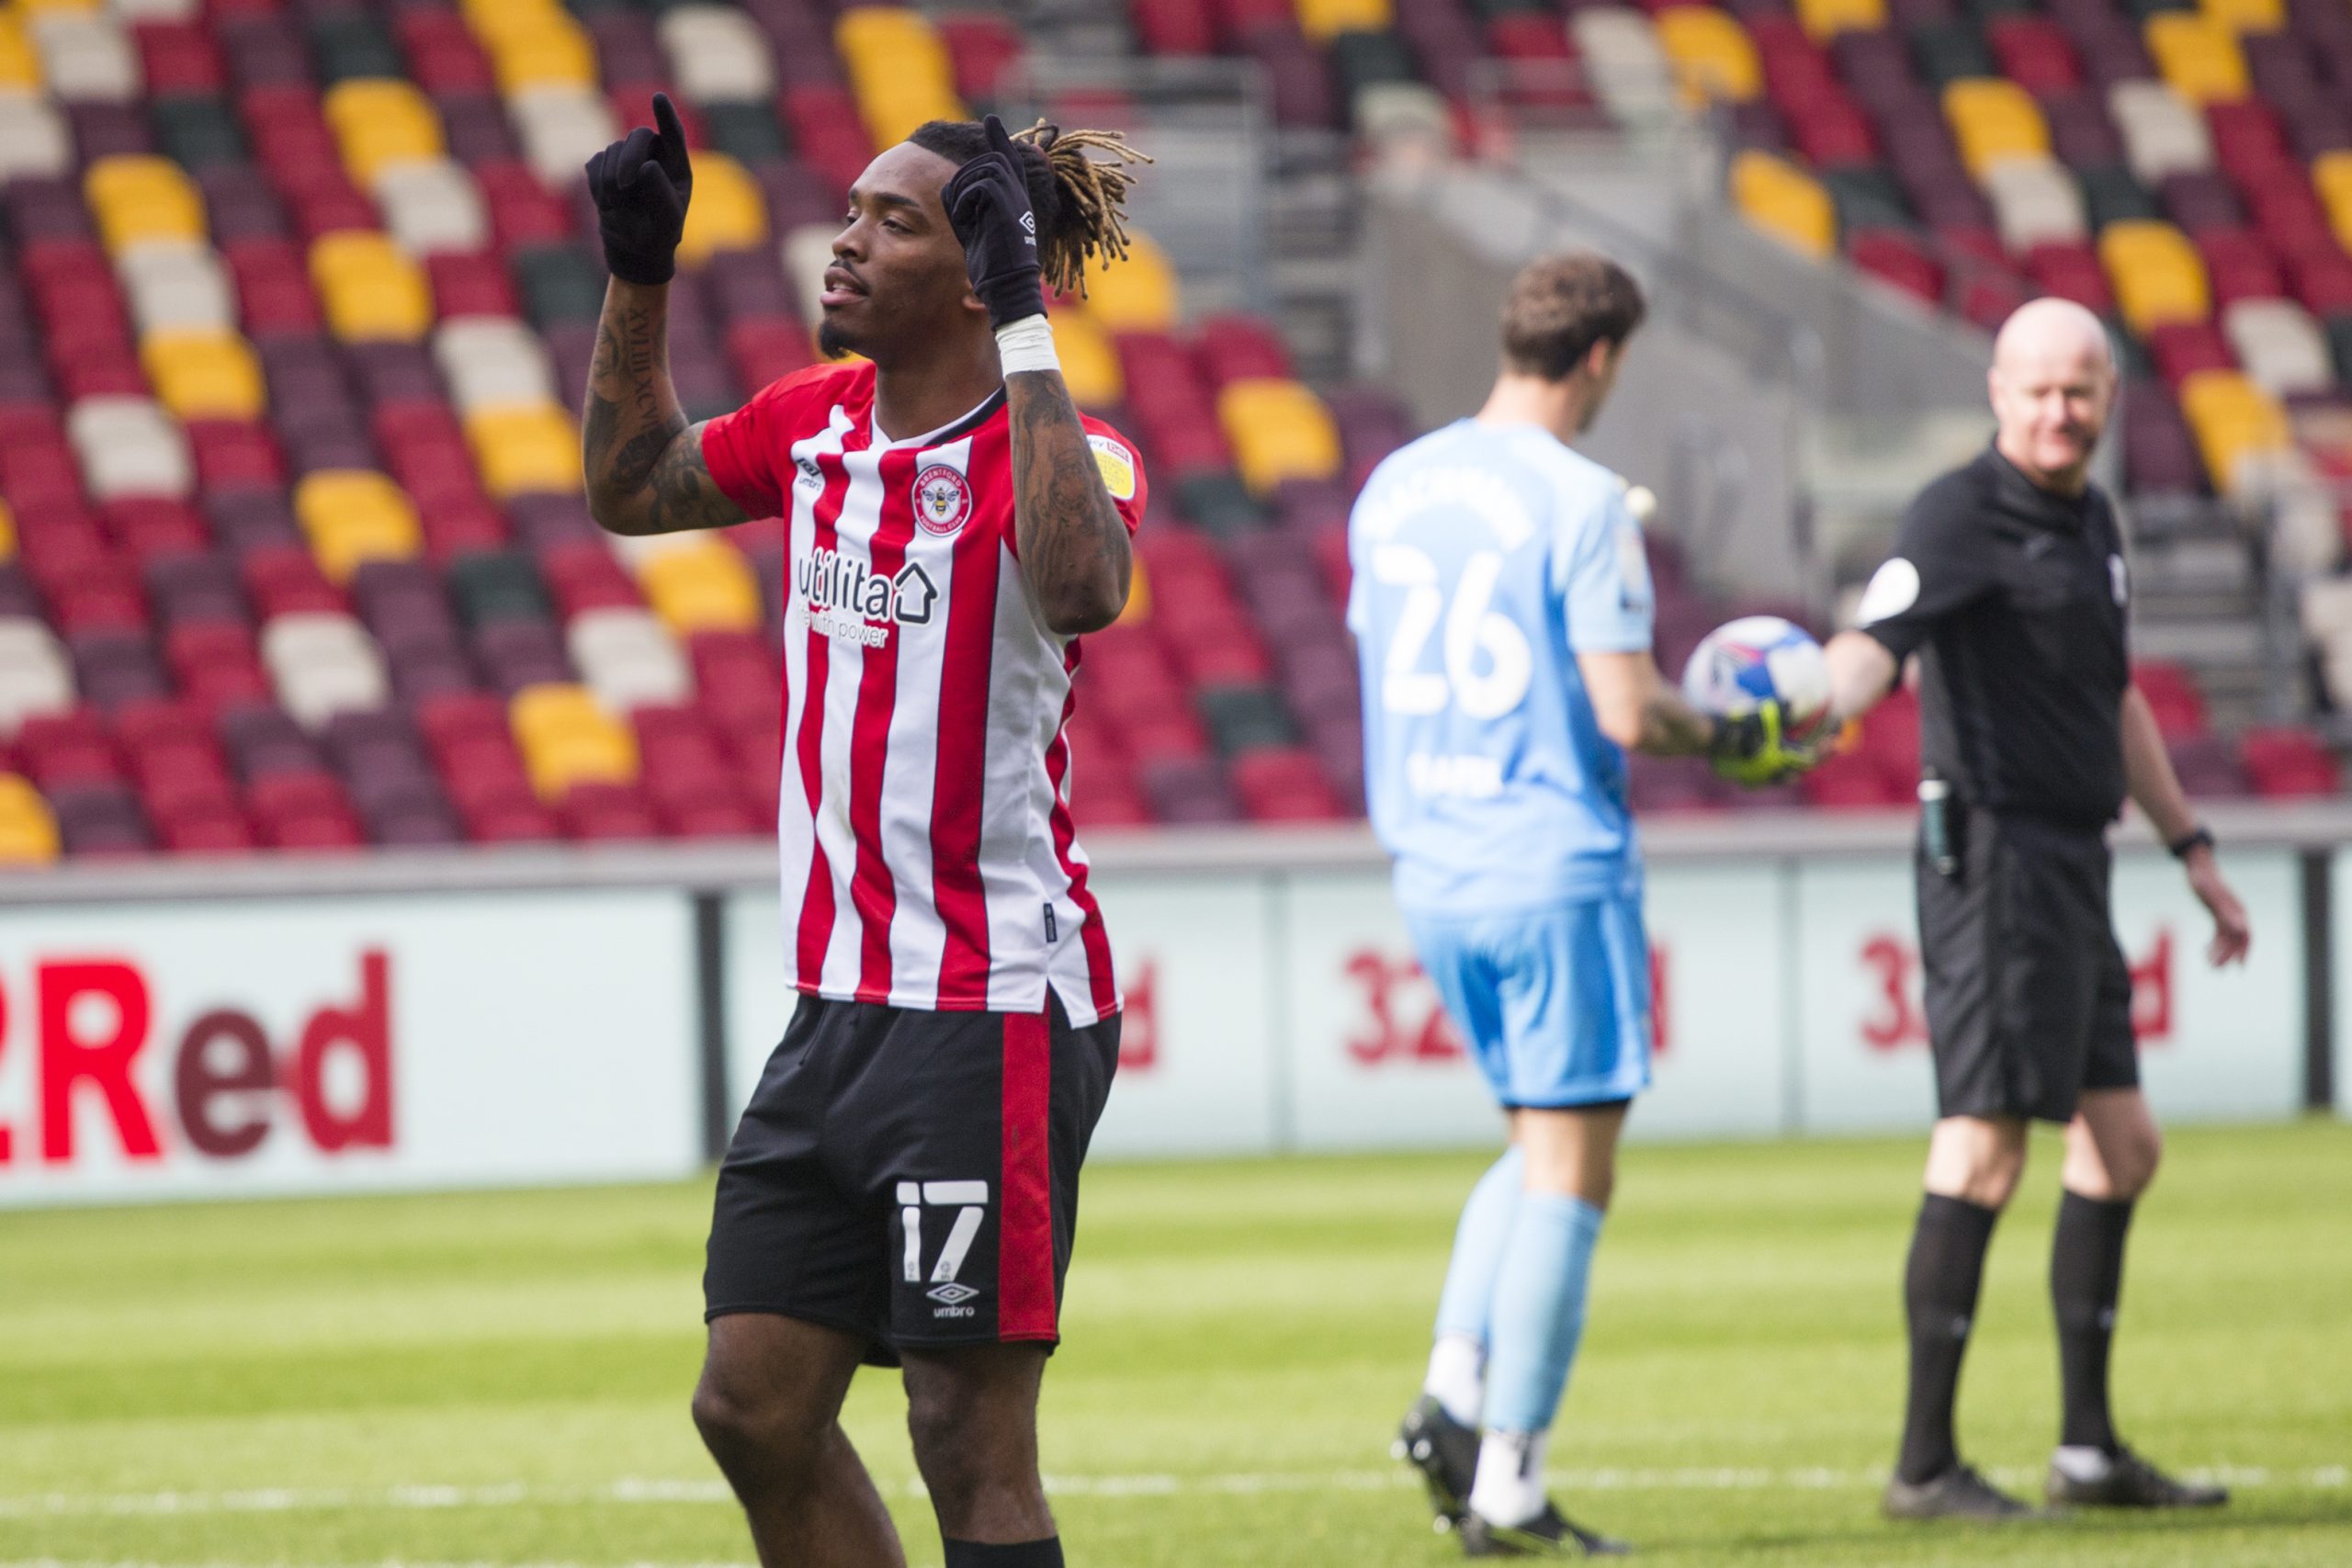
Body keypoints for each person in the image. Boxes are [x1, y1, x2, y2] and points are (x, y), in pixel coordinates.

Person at [579, 97, 1154, 1568]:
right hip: (837, 1009)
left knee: (969, 1438)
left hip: (988, 1008)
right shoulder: (817, 425)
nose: (843, 239)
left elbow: (1086, 587)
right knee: (751, 1406)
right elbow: (633, 484)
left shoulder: (1069, 451)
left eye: (894, 221)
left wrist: (1027, 314)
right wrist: (638, 273)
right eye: (851, 209)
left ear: (976, 271)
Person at [1351, 254, 1811, 1558]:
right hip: (1547, 856)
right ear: (1602, 358)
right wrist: (1734, 732)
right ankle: (1507, 1483)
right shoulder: (1584, 499)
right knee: (1574, 1172)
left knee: (1533, 1140)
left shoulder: (1396, 488)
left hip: (1430, 862)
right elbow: (1628, 708)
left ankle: (1454, 1383)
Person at [1817, 297, 2252, 1521]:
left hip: (2079, 862)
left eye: (2081, 390)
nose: (2060, 412)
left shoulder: (2093, 520)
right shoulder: (1957, 514)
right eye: (2038, 390)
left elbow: (2115, 703)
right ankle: (1923, 1465)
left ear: (2109, 399)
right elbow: (1875, 644)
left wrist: (2192, 846)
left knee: (2122, 1151)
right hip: (1996, 864)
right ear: (1996, 394)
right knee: (1984, 1145)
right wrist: (1815, 694)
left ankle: (2087, 1454)